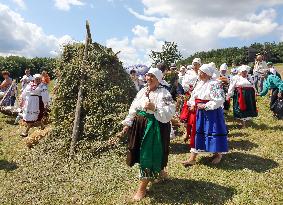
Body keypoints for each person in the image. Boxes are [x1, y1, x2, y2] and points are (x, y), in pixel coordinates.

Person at [120, 67, 175, 201]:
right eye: (148, 76)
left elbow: (170, 111)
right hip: (140, 125)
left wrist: (155, 108)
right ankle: (161, 171)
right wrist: (128, 123)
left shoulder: (164, 93)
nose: (149, 78)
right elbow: (134, 107)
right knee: (143, 151)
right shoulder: (142, 91)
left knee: (149, 154)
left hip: (155, 126)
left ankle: (142, 188)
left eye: (152, 76)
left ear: (159, 79)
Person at [182, 64, 228, 166]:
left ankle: (218, 154)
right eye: (200, 72)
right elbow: (194, 97)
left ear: (207, 74)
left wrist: (206, 105)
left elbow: (219, 100)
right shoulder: (199, 83)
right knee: (197, 132)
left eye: (202, 72)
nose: (199, 73)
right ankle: (192, 158)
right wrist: (193, 104)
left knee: (211, 131)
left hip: (212, 113)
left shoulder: (214, 84)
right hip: (200, 112)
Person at [180, 58, 201, 145]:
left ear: (200, 65)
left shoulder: (202, 72)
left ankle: (196, 132)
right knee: (187, 114)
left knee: (196, 115)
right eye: (194, 64)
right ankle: (187, 132)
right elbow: (184, 83)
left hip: (199, 95)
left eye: (197, 64)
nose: (196, 65)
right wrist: (189, 88)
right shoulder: (188, 73)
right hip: (189, 95)